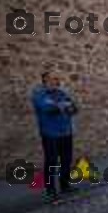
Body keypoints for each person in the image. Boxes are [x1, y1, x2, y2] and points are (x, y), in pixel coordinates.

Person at [32, 72, 78, 202]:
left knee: (66, 159)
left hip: (66, 131)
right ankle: (50, 189)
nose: (57, 81)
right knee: (51, 161)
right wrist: (62, 106)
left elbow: (74, 109)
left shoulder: (62, 93)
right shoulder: (39, 94)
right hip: (50, 133)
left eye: (57, 79)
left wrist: (64, 106)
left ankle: (65, 185)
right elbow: (49, 109)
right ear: (45, 80)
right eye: (53, 79)